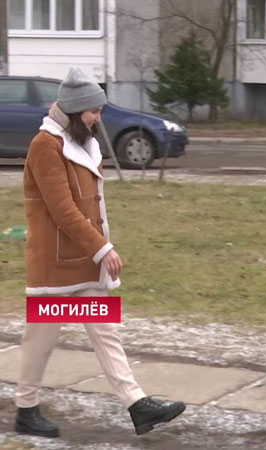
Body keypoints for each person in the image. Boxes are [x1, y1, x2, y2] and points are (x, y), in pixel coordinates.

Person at [17, 67, 185, 438]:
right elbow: (63, 210)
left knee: (105, 331)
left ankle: (137, 404)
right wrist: (102, 248)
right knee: (40, 342)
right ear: (76, 111)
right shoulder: (46, 146)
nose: (98, 117)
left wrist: (96, 250)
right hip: (54, 267)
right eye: (93, 111)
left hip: (82, 265)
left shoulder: (80, 142)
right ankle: (25, 409)